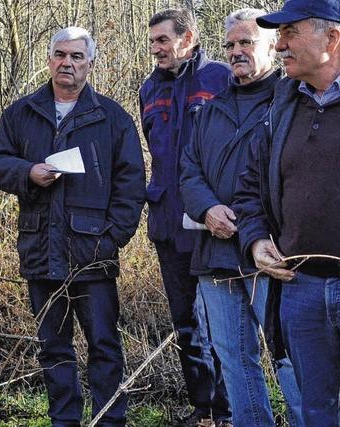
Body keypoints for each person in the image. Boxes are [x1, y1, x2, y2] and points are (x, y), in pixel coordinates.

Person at [0, 26, 145, 426]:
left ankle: (109, 420)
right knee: (53, 348)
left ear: (90, 63)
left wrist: (113, 239)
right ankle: (64, 421)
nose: (66, 63)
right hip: (40, 249)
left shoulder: (112, 117)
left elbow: (132, 183)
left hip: (94, 255)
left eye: (76, 56)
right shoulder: (23, 112)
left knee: (104, 346)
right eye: (60, 55)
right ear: (49, 58)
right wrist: (27, 172)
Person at [179, 9, 303, 426]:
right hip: (216, 256)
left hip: (275, 254)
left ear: (272, 45)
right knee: (235, 363)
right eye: (230, 45)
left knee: (291, 361)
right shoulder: (209, 111)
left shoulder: (292, 102)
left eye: (246, 43)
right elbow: (188, 170)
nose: (236, 52)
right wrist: (207, 208)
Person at [233, 1, 340, 424]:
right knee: (316, 412)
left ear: (332, 38)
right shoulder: (282, 106)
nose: (278, 46)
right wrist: (256, 240)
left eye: (290, 33)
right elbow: (250, 188)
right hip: (301, 290)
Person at [139, 8, 232, 426]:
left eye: (163, 39)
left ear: (188, 37)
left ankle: (230, 410)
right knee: (186, 324)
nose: (155, 48)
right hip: (167, 223)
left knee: (223, 324)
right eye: (153, 40)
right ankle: (203, 409)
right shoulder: (148, 88)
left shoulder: (219, 79)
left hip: (212, 225)